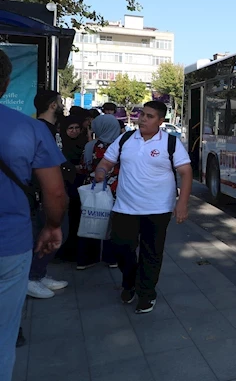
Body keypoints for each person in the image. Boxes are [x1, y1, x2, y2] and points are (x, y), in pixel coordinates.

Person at [0, 49, 67, 379]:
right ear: (6, 83)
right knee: (3, 335)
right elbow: (54, 192)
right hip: (9, 245)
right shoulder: (30, 129)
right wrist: (53, 226)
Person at [94, 101, 192, 314]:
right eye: (142, 115)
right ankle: (129, 282)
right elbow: (108, 161)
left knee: (151, 253)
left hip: (158, 209)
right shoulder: (126, 138)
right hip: (125, 207)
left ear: (160, 121)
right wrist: (101, 170)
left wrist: (182, 203)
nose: (143, 119)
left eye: (149, 116)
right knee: (120, 247)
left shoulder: (171, 143)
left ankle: (146, 293)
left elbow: (185, 172)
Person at [27, 90, 72, 299]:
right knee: (49, 232)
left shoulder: (53, 129)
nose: (63, 105)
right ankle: (31, 277)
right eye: (60, 102)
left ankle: (39, 273)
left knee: (57, 231)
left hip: (53, 191)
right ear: (53, 105)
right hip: (43, 194)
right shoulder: (40, 129)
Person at [77, 114, 122, 270]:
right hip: (115, 190)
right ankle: (111, 258)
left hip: (94, 189)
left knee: (92, 219)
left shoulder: (90, 146)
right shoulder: (121, 146)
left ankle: (86, 259)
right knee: (113, 225)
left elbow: (85, 167)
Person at [55, 116, 87, 263]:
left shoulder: (84, 144)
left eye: (77, 128)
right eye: (70, 128)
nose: (74, 131)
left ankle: (75, 251)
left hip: (80, 187)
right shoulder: (60, 146)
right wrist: (73, 169)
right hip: (66, 186)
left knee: (77, 219)